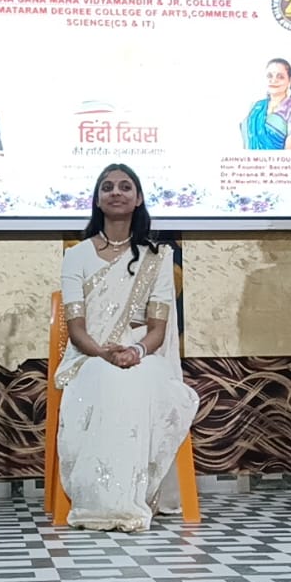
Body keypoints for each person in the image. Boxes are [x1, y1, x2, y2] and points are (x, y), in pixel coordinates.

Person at [56, 165, 199, 532]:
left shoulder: (157, 258)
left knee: (136, 379)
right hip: (89, 357)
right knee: (109, 378)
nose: (116, 192)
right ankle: (104, 501)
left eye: (124, 187)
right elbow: (77, 331)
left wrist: (135, 353)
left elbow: (157, 330)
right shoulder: (76, 256)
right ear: (97, 200)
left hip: (141, 356)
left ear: (138, 199)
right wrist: (103, 353)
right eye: (107, 187)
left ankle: (129, 498)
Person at [241, 58, 291, 151]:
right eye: (269, 76)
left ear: (289, 81)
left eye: (280, 77)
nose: (273, 80)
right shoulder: (256, 107)